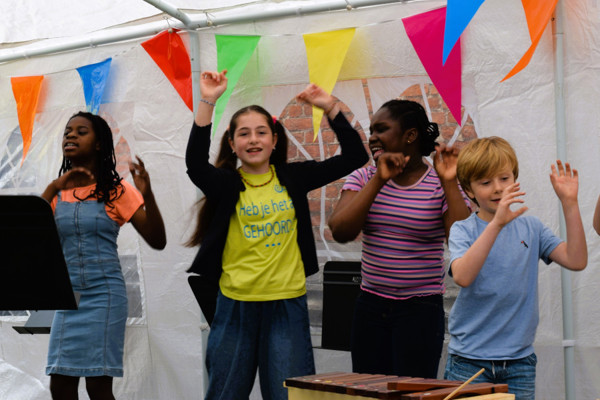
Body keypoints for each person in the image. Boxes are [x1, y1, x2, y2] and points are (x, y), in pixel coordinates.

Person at [185, 70, 368, 400]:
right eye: (243, 134)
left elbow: (355, 157)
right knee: (225, 393)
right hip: (234, 307)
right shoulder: (226, 184)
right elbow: (195, 164)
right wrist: (208, 100)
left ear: (273, 140)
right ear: (232, 144)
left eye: (260, 132)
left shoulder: (293, 178)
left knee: (289, 395)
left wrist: (329, 106)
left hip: (287, 304)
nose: (253, 139)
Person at [327, 99, 471, 378]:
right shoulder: (364, 177)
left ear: (410, 136)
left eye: (381, 129)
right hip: (370, 307)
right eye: (371, 130)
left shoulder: (439, 182)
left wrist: (450, 182)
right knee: (370, 394)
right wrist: (379, 180)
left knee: (412, 394)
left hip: (420, 311)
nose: (372, 137)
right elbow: (341, 230)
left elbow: (460, 240)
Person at [445, 136, 587, 400]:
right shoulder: (462, 229)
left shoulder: (531, 228)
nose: (497, 188)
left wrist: (569, 203)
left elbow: (576, 260)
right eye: (486, 182)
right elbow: (463, 276)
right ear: (470, 190)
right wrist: (496, 224)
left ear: (515, 179)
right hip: (469, 361)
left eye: (504, 178)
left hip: (519, 363)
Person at [42, 111, 166, 400]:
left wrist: (148, 195)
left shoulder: (116, 191)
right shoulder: (57, 194)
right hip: (68, 299)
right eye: (67, 131)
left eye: (81, 131)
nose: (70, 135)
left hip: (104, 296)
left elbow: (157, 240)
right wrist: (52, 189)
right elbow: (30, 230)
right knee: (59, 384)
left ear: (99, 144)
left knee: (98, 386)